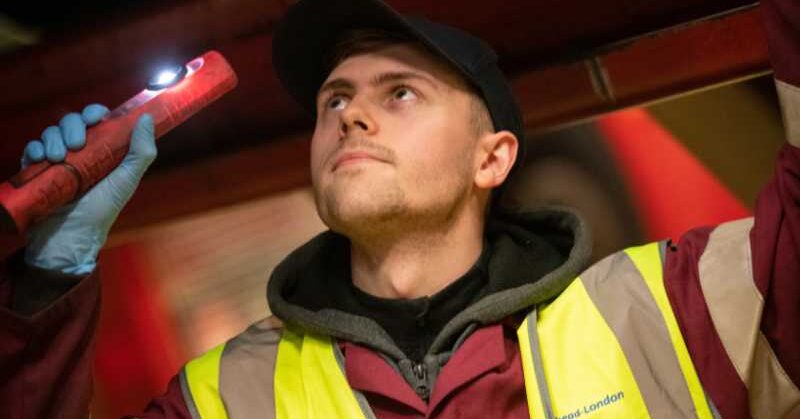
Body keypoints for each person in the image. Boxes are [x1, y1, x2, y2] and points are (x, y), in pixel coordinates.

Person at [1, 0, 798, 417]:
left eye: (401, 93)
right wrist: (41, 293)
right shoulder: (228, 399)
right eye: (334, 99)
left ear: (494, 158)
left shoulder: (667, 316)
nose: (351, 114)